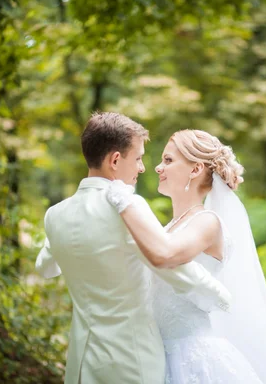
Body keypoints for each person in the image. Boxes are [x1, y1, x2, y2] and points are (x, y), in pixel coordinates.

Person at [35, 113, 231, 384]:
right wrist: (221, 296)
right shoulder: (127, 208)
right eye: (138, 158)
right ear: (115, 160)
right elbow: (172, 268)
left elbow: (45, 268)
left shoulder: (55, 215)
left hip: (81, 359)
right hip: (132, 359)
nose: (142, 168)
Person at [106, 129, 266, 383]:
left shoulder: (208, 223)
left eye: (168, 160)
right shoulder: (169, 228)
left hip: (189, 358)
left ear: (195, 169)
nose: (157, 167)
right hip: (153, 354)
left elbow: (165, 255)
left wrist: (124, 201)